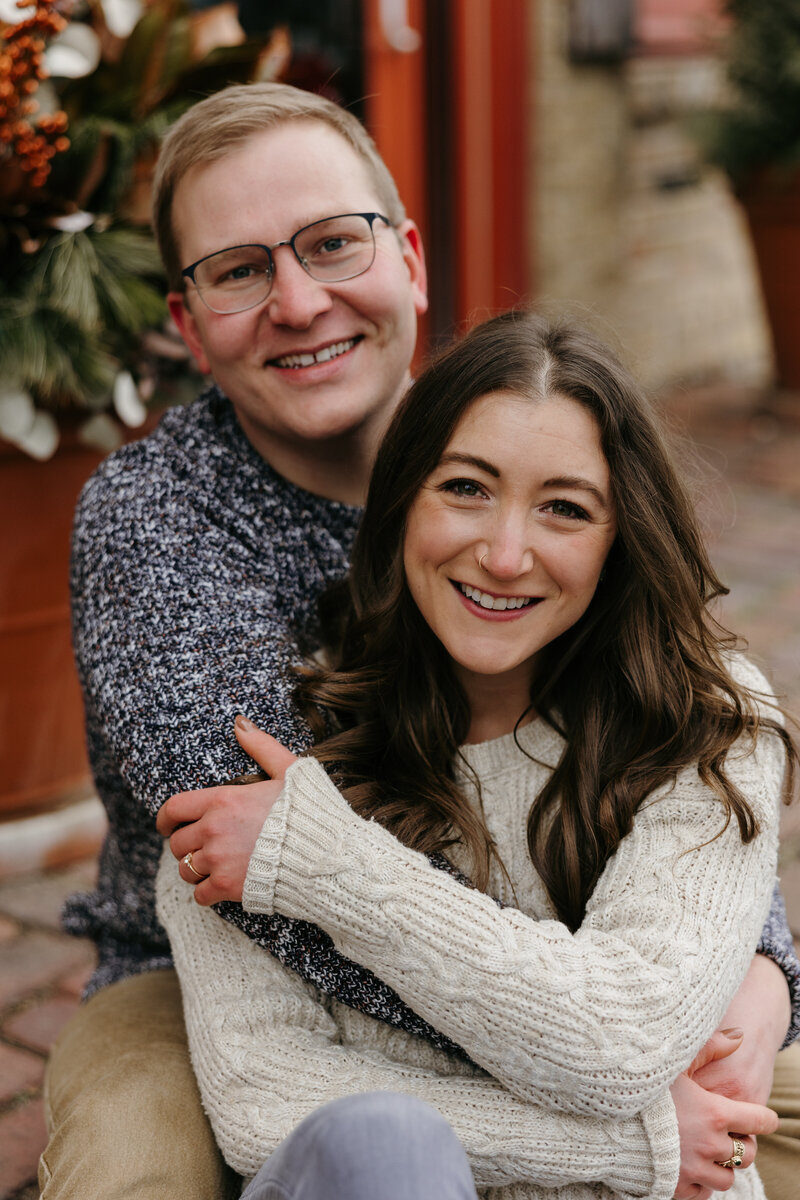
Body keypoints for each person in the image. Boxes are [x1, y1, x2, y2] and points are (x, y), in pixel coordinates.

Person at [42, 82, 799, 1198]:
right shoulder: (157, 523)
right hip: (250, 973)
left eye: (330, 245)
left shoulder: (514, 420)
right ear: (186, 322)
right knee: (135, 1167)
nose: (298, 302)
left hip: (583, 955)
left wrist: (751, 959)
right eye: (241, 270)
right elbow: (264, 861)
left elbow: (678, 738)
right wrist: (622, 1100)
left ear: (408, 260)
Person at [156, 309, 795, 1199]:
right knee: (384, 1144)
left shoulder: (709, 720)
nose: (503, 554)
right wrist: (629, 1147)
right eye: (465, 488)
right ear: (402, 499)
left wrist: (323, 859)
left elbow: (618, 1044)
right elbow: (262, 1097)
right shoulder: (270, 745)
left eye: (565, 509)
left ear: (621, 539)